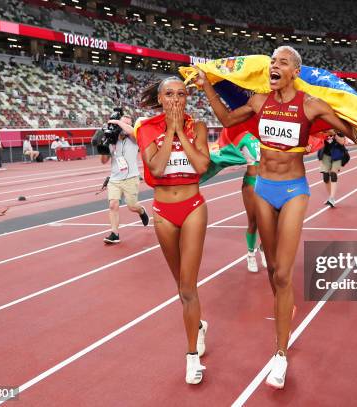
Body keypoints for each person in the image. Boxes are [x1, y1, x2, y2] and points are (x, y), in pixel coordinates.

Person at [194, 46, 357, 389]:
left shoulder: (311, 105)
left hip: (294, 190)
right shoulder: (258, 102)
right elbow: (226, 121)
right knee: (273, 271)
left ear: (294, 72)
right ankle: (286, 306)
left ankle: (280, 354)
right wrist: (207, 85)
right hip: (263, 189)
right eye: (272, 61)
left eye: (281, 62)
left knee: (283, 273)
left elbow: (350, 131)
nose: (274, 65)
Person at [136, 77, 211, 384]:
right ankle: (200, 325)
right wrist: (170, 130)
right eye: (169, 94)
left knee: (189, 287)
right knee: (181, 288)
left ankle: (192, 357)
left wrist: (181, 130)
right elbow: (155, 168)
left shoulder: (199, 127)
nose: (176, 99)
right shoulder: (146, 129)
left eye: (181, 94)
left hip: (193, 207)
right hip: (164, 212)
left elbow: (201, 166)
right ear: (159, 97)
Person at [100, 115, 150, 244]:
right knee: (113, 205)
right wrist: (104, 147)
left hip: (131, 178)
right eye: (122, 124)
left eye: (127, 124)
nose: (123, 127)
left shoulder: (134, 139)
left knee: (132, 206)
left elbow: (131, 131)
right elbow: (104, 161)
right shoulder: (112, 140)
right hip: (114, 179)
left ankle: (141, 211)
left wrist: (117, 121)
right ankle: (114, 233)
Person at [237, 132, 267, 272]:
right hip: (251, 182)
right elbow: (229, 152)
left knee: (269, 221)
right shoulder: (243, 137)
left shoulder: (267, 134)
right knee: (253, 221)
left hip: (269, 182)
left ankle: (263, 248)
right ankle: (250, 254)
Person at [318, 130, 348, 207]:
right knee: (325, 177)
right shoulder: (324, 130)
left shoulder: (338, 131)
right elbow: (319, 140)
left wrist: (334, 134)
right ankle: (330, 197)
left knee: (333, 174)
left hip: (337, 155)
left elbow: (342, 142)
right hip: (326, 155)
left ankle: (332, 198)